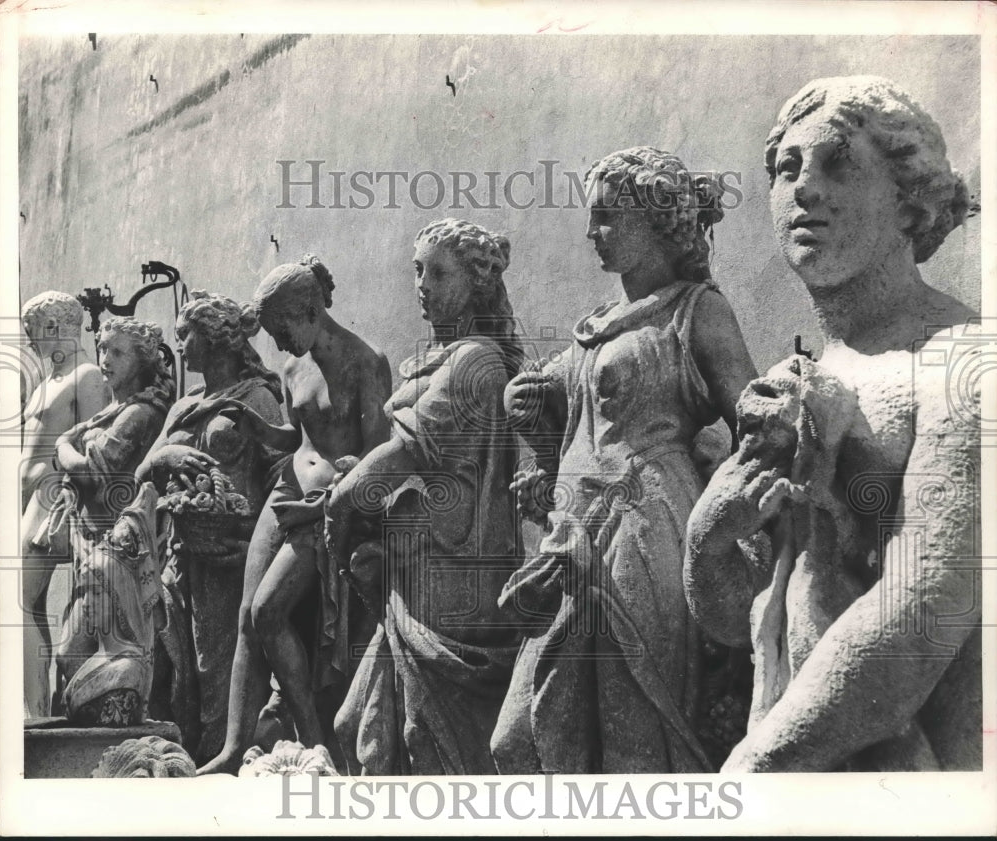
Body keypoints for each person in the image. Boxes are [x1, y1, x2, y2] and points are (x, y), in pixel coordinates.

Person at [683, 76, 981, 771]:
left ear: (910, 203)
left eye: (838, 164)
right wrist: (706, 540)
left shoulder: (964, 363)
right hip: (800, 770)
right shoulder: (805, 379)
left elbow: (922, 613)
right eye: (787, 169)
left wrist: (756, 768)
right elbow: (750, 620)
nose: (804, 189)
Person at [492, 148, 757, 773]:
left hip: (643, 530)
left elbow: (753, 421)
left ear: (657, 217)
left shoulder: (696, 311)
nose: (593, 233)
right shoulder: (597, 325)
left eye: (608, 216)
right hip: (568, 538)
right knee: (517, 740)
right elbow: (555, 396)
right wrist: (529, 398)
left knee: (630, 738)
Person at [328, 219, 525, 775]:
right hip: (411, 571)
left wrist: (343, 500)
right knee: (358, 728)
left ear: (477, 281)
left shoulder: (476, 361)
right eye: (418, 270)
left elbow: (407, 455)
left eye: (437, 272)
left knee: (424, 740)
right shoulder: (439, 358)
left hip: (454, 576)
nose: (422, 283)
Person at [197, 256, 391, 775]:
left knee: (268, 612)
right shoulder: (291, 367)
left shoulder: (366, 362)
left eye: (282, 329)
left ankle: (312, 737)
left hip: (325, 507)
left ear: (308, 309)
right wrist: (257, 428)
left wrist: (344, 494)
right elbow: (296, 438)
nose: (278, 344)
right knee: (246, 618)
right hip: (285, 493)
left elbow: (376, 453)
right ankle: (233, 747)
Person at [135, 291, 284, 761]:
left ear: (215, 337)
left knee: (215, 669)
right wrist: (167, 455)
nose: (180, 346)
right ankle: (185, 760)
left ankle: (223, 766)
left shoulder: (256, 396)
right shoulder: (184, 406)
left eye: (186, 335)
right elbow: (142, 474)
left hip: (231, 556)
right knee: (174, 668)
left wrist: (260, 546)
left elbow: (282, 475)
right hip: (182, 555)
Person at [47, 317, 175, 696]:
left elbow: (93, 473)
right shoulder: (114, 411)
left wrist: (62, 446)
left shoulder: (142, 414)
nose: (105, 358)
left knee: (74, 657)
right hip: (91, 551)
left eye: (117, 351)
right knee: (76, 660)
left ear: (143, 359)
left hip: (119, 560)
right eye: (102, 348)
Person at [20, 291, 108, 717]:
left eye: (32, 330)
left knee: (26, 599)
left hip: (58, 503)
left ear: (54, 328)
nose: (29, 340)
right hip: (32, 503)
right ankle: (34, 707)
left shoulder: (87, 376)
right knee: (23, 602)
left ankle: (45, 709)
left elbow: (96, 447)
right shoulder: (44, 384)